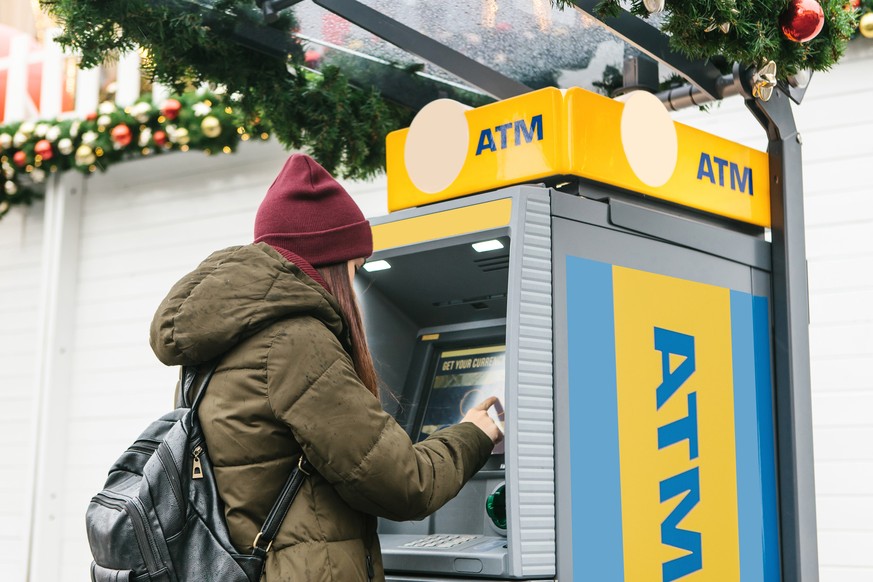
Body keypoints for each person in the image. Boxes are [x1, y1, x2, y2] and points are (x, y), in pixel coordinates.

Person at [149, 153, 503, 581]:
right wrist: (475, 434)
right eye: (355, 269)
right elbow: (405, 485)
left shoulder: (221, 342)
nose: (356, 285)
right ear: (330, 264)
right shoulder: (295, 342)